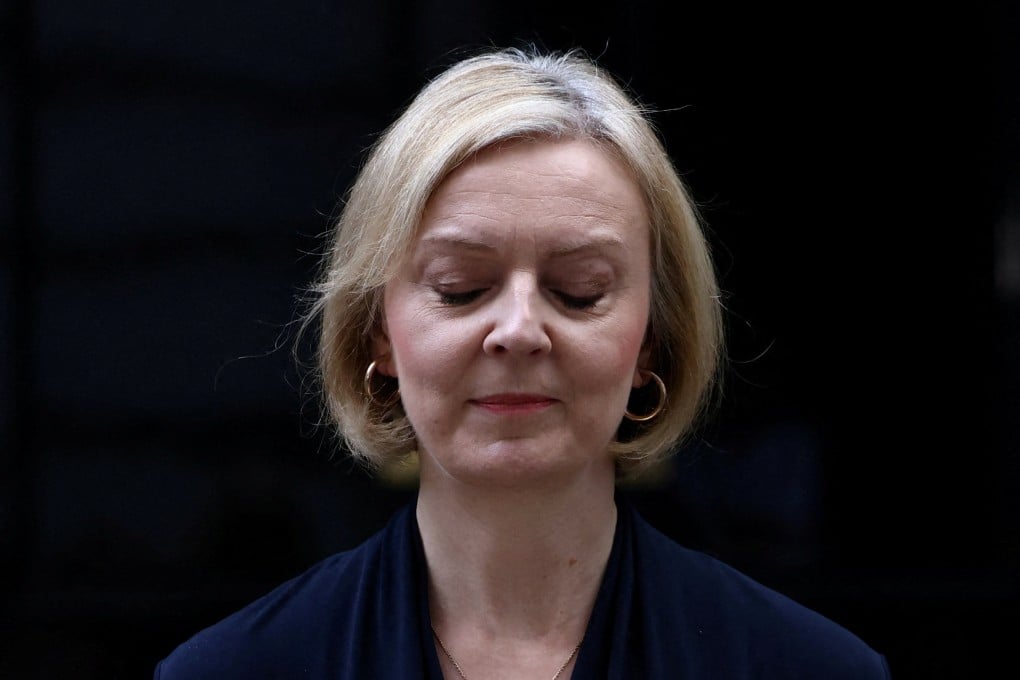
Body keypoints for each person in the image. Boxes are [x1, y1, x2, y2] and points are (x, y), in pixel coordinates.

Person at [154, 46, 891, 678]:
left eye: (578, 292)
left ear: (653, 341)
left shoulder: (802, 667)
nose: (518, 330)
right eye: (460, 288)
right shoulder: (236, 669)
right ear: (377, 332)